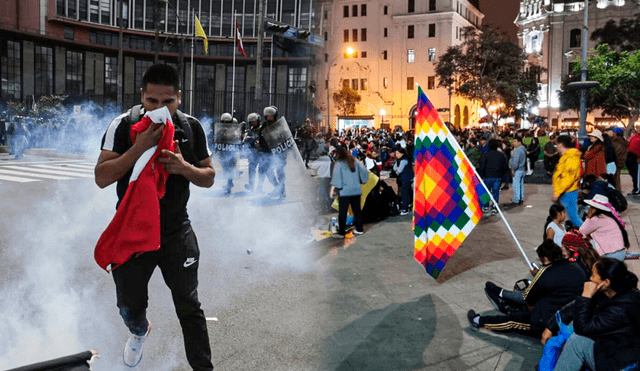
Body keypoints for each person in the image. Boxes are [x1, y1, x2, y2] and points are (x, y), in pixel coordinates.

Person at [95, 64, 215, 370]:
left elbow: (209, 176)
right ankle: (138, 331)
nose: (160, 109)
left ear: (179, 98)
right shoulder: (124, 125)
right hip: (134, 232)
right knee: (129, 307)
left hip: (176, 231)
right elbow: (102, 176)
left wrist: (183, 167)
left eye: (168, 102)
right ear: (142, 97)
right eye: (152, 102)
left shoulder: (191, 127)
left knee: (189, 306)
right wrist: (140, 148)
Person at [468, 240, 587, 337]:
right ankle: (503, 302)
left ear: (545, 259)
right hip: (565, 316)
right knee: (522, 311)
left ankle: (478, 321)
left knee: (512, 321)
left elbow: (526, 297)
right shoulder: (573, 266)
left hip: (546, 322)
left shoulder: (546, 272)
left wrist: (536, 277)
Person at [543, 258, 640, 371]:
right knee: (573, 324)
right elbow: (575, 307)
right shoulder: (610, 291)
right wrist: (551, 326)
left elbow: (582, 329)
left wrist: (586, 296)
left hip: (618, 362)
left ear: (606, 282)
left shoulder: (620, 309)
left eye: (593, 276)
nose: (590, 279)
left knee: (577, 342)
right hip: (609, 346)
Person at [329, 145, 369, 238]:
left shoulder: (339, 163)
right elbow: (364, 172)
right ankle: (359, 229)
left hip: (344, 192)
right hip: (356, 190)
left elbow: (337, 178)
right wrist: (362, 181)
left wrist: (333, 189)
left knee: (343, 212)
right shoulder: (356, 161)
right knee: (357, 211)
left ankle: (342, 232)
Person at [580, 194, 630, 261]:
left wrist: (588, 218)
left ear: (592, 208)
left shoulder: (595, 219)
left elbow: (581, 231)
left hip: (610, 255)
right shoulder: (609, 217)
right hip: (621, 252)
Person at [553, 135, 583, 227]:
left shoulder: (571, 157)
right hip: (565, 192)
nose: (556, 146)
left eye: (556, 144)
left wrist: (557, 192)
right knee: (572, 217)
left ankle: (591, 235)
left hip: (568, 192)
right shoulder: (566, 156)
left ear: (561, 145)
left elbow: (569, 178)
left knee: (574, 218)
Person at [478, 139, 509, 215]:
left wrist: (481, 175)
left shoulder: (486, 154)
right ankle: (495, 207)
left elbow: (482, 166)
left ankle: (485, 206)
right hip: (497, 176)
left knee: (486, 192)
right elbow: (505, 166)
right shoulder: (501, 155)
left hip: (487, 176)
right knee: (496, 192)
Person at [263, 106, 286, 199]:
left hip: (279, 152)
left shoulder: (279, 125)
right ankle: (277, 187)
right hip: (268, 153)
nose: (269, 117)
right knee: (268, 172)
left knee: (280, 173)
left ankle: (282, 191)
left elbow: (285, 137)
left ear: (274, 116)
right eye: (267, 116)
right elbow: (261, 136)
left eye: (271, 116)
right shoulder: (264, 126)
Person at [217, 112, 238, 195]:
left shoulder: (234, 130)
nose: (225, 123)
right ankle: (229, 183)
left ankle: (229, 187)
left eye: (227, 122)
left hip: (231, 152)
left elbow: (237, 139)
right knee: (225, 169)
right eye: (224, 122)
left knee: (230, 169)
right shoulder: (219, 130)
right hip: (223, 153)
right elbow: (217, 139)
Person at [392, 147, 414, 216]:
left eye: (398, 153)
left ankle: (404, 209)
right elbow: (394, 167)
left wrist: (397, 169)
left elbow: (398, 170)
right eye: (396, 153)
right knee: (406, 192)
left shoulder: (404, 160)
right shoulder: (399, 160)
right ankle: (408, 204)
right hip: (406, 178)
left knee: (404, 193)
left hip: (406, 178)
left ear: (402, 153)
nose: (396, 155)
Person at [606, 126, 628, 191]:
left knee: (614, 179)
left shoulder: (617, 142)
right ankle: (616, 191)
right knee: (616, 178)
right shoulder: (622, 141)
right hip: (619, 162)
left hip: (615, 162)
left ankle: (616, 192)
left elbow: (615, 152)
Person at [243, 112, 261, 191]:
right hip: (253, 152)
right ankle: (251, 185)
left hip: (261, 152)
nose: (253, 123)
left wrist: (253, 138)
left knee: (262, 170)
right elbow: (246, 141)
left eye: (255, 121)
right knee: (251, 169)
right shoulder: (250, 130)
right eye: (251, 121)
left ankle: (260, 187)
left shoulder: (262, 129)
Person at [507, 136, 527, 206]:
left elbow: (515, 161)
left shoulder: (518, 150)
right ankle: (520, 199)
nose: (513, 143)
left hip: (517, 170)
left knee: (516, 185)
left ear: (519, 142)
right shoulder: (523, 149)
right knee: (521, 185)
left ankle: (516, 200)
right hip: (522, 169)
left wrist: (513, 169)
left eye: (515, 141)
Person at [626, 127, 640, 195]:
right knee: (632, 173)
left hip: (636, 157)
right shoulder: (634, 135)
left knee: (636, 174)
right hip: (629, 155)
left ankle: (637, 189)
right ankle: (636, 187)